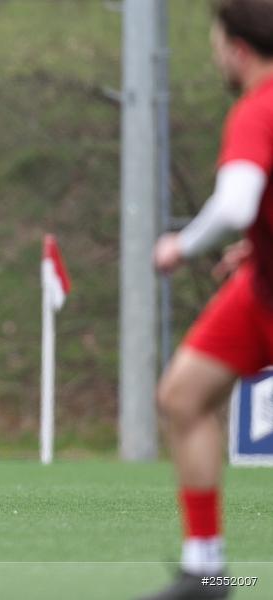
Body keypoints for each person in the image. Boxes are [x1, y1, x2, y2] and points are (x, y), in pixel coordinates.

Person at [141, 1, 273, 598]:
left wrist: (182, 244)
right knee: (183, 396)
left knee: (182, 399)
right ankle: (206, 571)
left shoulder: (256, 109)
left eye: (218, 44)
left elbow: (236, 204)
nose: (216, 54)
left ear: (238, 50)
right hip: (261, 287)